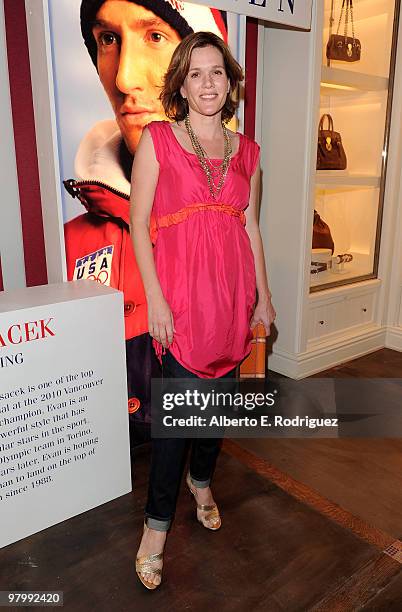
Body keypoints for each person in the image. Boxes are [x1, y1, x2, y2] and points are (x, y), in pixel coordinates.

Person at [130, 31, 275, 589]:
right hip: (182, 301)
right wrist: (157, 300)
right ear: (181, 84)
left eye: (217, 72)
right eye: (196, 73)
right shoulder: (159, 140)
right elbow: (140, 224)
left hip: (233, 298)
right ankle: (156, 531)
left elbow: (252, 227)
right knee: (175, 426)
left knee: (218, 409)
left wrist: (263, 294)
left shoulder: (249, 152)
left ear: (230, 81)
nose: (208, 83)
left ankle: (203, 481)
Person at [63, 0, 228, 446]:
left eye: (154, 37)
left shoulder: (227, 187)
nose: (122, 78)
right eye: (108, 40)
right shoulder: (68, 239)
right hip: (94, 460)